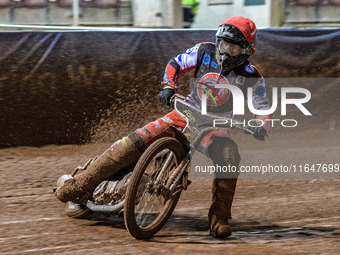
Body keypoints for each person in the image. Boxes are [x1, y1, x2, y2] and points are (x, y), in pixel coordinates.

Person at [55, 16, 271, 238]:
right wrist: (168, 86)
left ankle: (219, 218)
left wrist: (260, 124)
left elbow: (262, 106)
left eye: (233, 47)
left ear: (247, 50)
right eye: (223, 44)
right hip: (183, 113)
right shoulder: (204, 51)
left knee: (229, 156)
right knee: (133, 141)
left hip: (215, 127)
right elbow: (176, 63)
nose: (225, 51)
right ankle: (78, 186)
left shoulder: (252, 76)